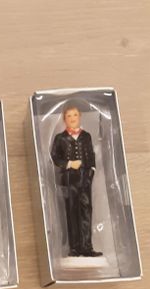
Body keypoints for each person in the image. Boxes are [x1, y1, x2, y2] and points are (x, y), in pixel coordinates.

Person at [50, 105, 102, 257]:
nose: (72, 118)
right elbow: (55, 157)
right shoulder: (60, 138)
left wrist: (91, 170)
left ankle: (87, 247)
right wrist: (69, 164)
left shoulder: (86, 136)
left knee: (86, 211)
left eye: (75, 115)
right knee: (71, 211)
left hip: (85, 178)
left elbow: (90, 154)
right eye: (69, 116)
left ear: (80, 117)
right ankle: (74, 248)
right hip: (69, 180)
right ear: (64, 119)